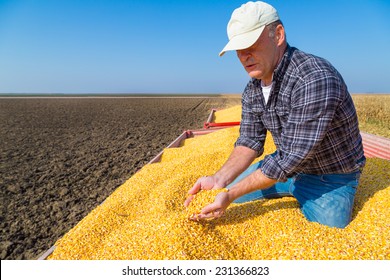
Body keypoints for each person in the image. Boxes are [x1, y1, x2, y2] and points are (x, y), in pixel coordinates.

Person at [184, 1, 365, 228]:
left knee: (331, 234)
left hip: (330, 178)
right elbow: (249, 141)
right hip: (284, 170)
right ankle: (280, 185)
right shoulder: (253, 89)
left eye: (250, 44)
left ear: (278, 35)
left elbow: (289, 157)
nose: (244, 56)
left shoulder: (314, 78)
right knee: (224, 191)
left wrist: (230, 195)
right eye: (238, 50)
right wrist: (219, 180)